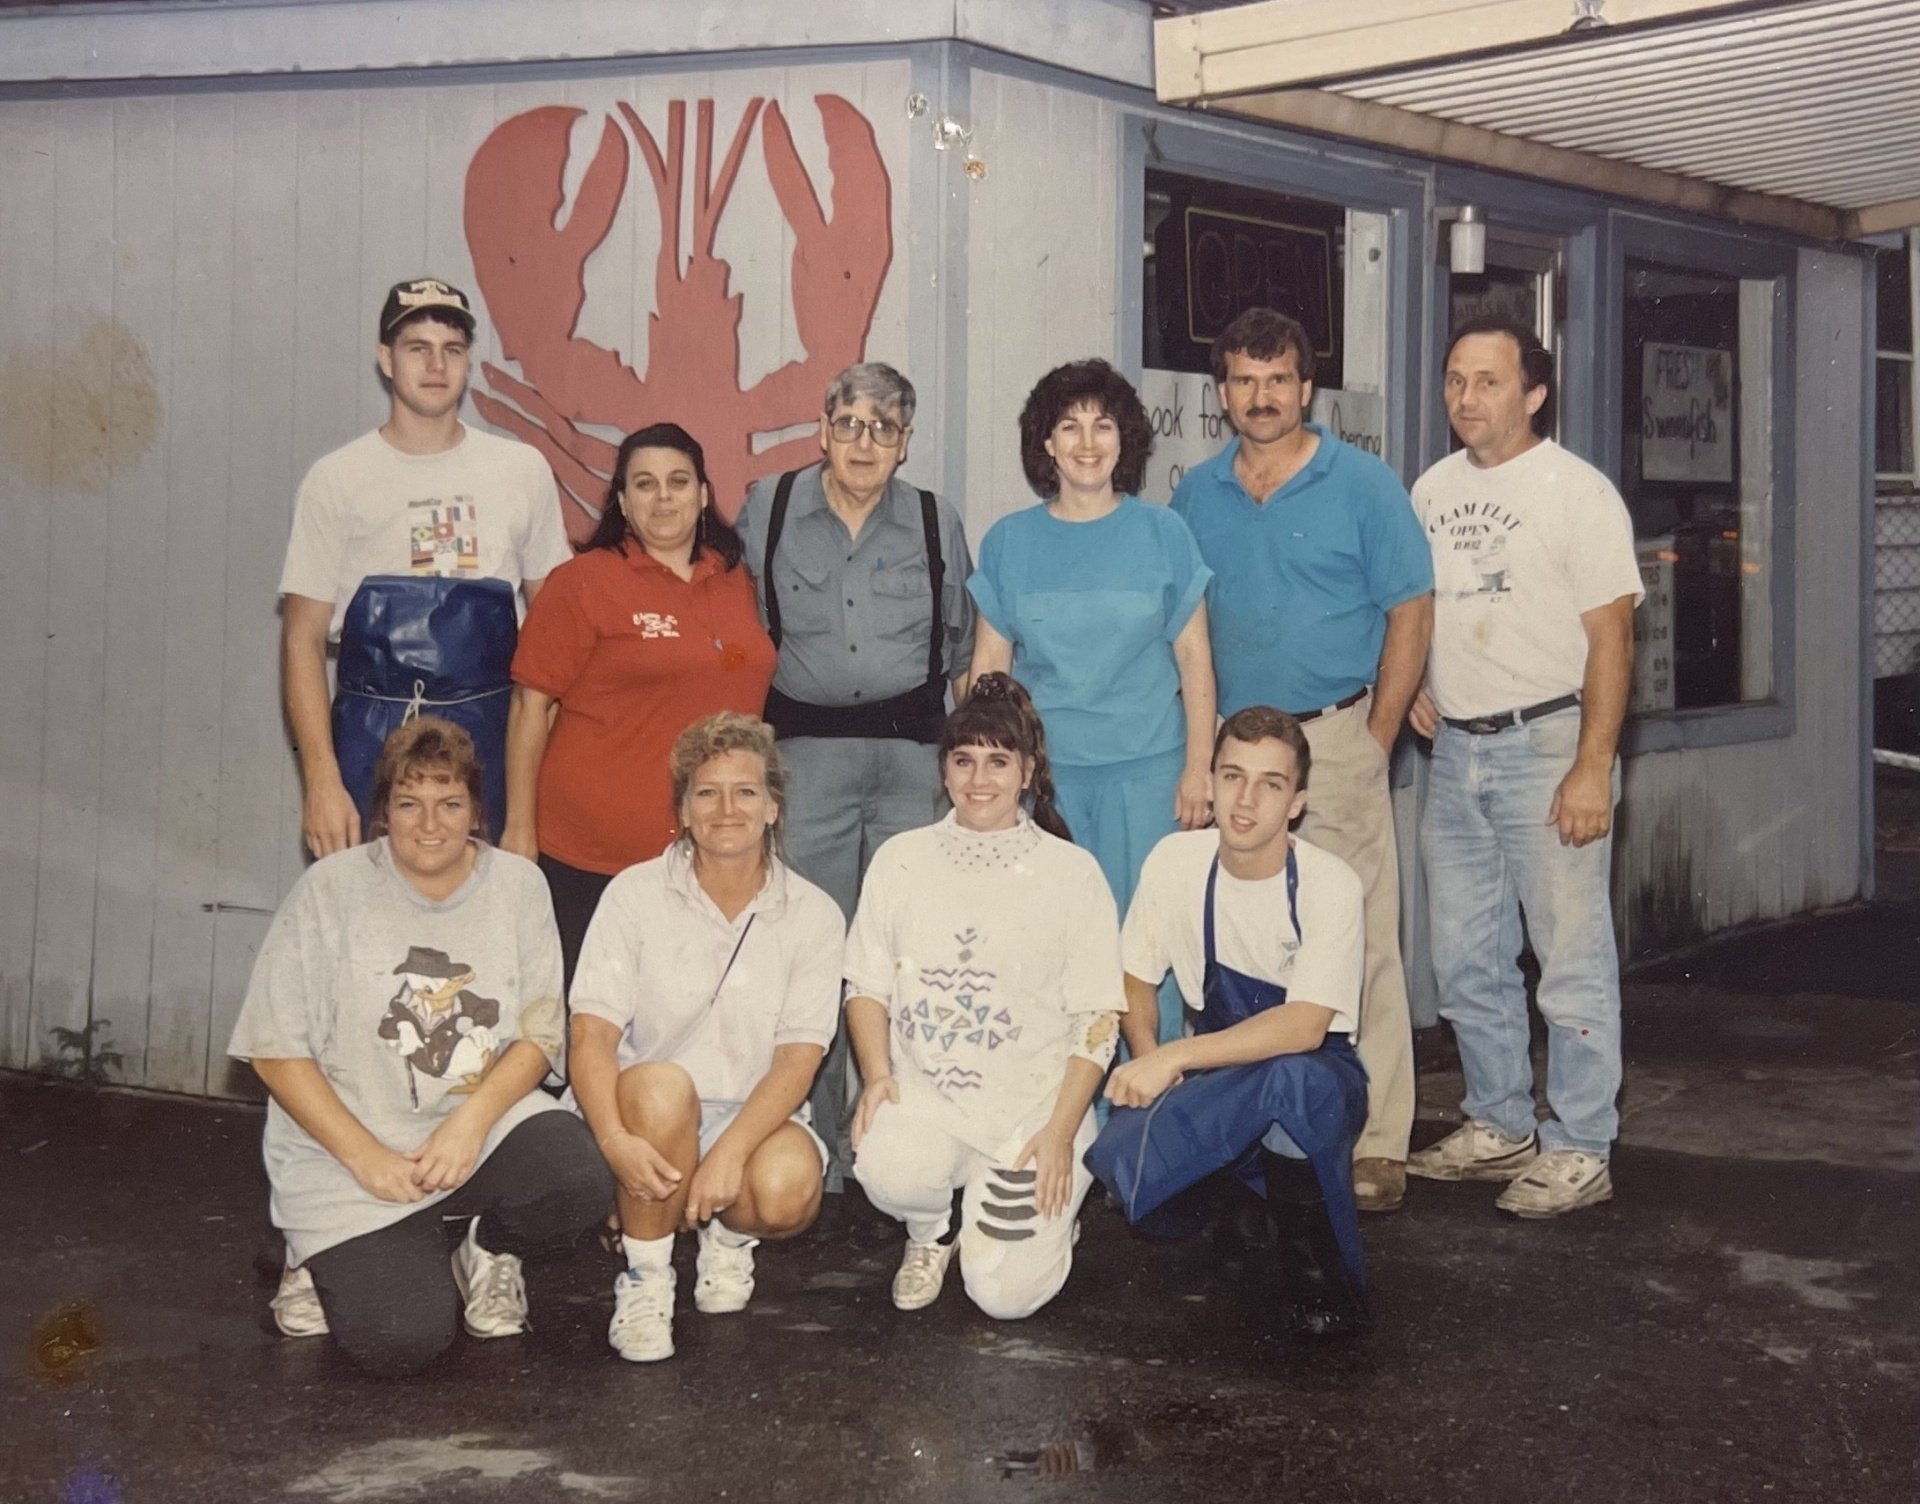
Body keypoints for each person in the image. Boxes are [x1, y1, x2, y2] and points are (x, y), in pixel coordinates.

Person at [227, 717, 614, 1377]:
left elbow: (540, 1033)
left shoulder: (519, 886)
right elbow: (274, 1051)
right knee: (403, 1340)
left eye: (449, 803)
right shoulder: (330, 890)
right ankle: (309, 1256)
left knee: (576, 1179)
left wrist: (470, 1124)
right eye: (409, 803)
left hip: (469, 1130)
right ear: (383, 811)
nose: (429, 823)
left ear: (476, 811)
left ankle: (487, 1248)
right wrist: (367, 1158)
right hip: (350, 1145)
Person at [1170, 308, 1433, 1214]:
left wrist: (1376, 735)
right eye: (1243, 380)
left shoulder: (1362, 484)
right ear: (1222, 394)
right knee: (1244, 942)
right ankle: (1260, 1130)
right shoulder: (1196, 495)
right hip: (1235, 748)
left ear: (1307, 387)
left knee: (1358, 940)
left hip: (1335, 740)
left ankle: (1379, 1141)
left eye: (1277, 378)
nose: (1261, 397)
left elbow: (1411, 608)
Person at [1405, 315, 1642, 1219]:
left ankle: (1582, 1143)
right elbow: (1417, 609)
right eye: (1456, 380)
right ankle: (1501, 1122)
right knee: (1467, 957)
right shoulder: (1428, 490)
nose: (1467, 397)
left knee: (1572, 962)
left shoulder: (1577, 493)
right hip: (1457, 750)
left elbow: (1611, 637)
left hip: (1551, 746)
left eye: (1489, 381)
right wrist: (1417, 682)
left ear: (1533, 394)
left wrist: (1592, 767)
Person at [736, 362, 976, 1188]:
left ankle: (903, 1144)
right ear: (823, 428)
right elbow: (743, 630)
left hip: (912, 763)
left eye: (884, 428)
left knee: (908, 950)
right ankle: (820, 1157)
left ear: (906, 442)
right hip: (808, 764)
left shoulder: (938, 522)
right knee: (817, 950)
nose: (864, 442)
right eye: (849, 424)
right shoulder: (768, 511)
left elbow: (958, 648)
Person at [1086, 707, 1371, 1341]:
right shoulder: (1175, 861)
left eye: (1271, 783)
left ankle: (1311, 1269)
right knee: (1123, 1168)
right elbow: (1135, 976)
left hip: (1317, 1077)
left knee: (1295, 1080)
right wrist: (1147, 1050)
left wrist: (1175, 1059)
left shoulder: (1330, 884)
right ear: (1208, 781)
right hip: (1216, 1073)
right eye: (1232, 776)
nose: (1246, 801)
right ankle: (1239, 1196)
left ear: (1296, 803)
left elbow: (1302, 1027)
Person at [567, 713, 845, 1362]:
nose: (727, 809)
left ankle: (726, 1239)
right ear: (683, 811)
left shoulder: (814, 914)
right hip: (649, 1115)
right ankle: (646, 1278)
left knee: (784, 1194)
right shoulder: (632, 896)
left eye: (746, 792)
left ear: (773, 807)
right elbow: (591, 1035)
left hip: (752, 1119)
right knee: (664, 1088)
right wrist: (612, 1140)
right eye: (706, 792)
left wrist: (726, 1157)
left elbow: (800, 1059)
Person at [844, 674, 1122, 1320]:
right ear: (943, 769)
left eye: (999, 761)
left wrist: (1058, 1132)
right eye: (963, 759)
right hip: (934, 1101)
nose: (979, 779)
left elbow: (1098, 1018)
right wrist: (879, 1075)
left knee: (1003, 1299)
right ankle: (930, 1232)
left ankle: (1036, 1222)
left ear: (1028, 771)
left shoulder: (1070, 872)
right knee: (886, 1163)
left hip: (1033, 1114)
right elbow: (866, 983)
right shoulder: (901, 858)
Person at [967, 358, 1216, 1033]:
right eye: (1068, 427)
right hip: (1048, 778)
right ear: (1045, 443)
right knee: (1052, 938)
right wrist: (991, 776)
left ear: (1124, 439)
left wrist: (1199, 767)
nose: (1085, 442)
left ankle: (1148, 1103)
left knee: (1144, 940)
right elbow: (989, 671)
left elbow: (1195, 659)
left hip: (1148, 770)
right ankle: (1068, 1111)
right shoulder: (1010, 541)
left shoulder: (1164, 534)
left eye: (1101, 426)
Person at [280, 278, 570, 855]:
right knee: (367, 928)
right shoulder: (337, 478)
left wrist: (530, 802)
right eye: (418, 347)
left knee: (482, 926)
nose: (437, 365)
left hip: (490, 736)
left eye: (453, 350)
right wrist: (321, 780)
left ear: (467, 362)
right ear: (386, 359)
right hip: (371, 735)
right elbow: (301, 640)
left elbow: (558, 637)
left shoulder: (521, 470)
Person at [504, 423, 776, 986]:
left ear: (703, 495)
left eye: (679, 482)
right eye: (645, 484)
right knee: (588, 1029)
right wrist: (519, 829)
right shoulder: (581, 584)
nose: (663, 497)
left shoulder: (738, 582)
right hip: (590, 853)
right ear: (623, 502)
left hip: (709, 851)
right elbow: (530, 708)